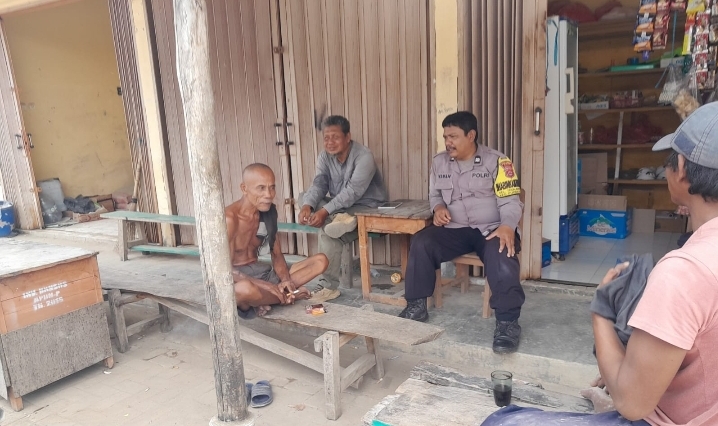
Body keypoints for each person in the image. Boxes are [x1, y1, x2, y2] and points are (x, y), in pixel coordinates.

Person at [482, 102, 718, 425]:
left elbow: (632, 404)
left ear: (682, 170)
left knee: (501, 421)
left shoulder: (684, 272)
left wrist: (601, 310)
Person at [399, 111, 525, 355]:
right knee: (422, 241)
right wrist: (438, 208)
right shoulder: (439, 162)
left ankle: (507, 323)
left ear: (471, 135)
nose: (448, 142)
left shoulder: (498, 162)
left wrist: (508, 226)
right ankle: (416, 305)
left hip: (491, 228)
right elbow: (435, 195)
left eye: (453, 137)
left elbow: (511, 201)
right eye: (446, 137)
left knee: (502, 251)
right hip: (455, 228)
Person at [298, 115, 388, 302]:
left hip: (366, 207)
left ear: (348, 137)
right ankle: (340, 219)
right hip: (339, 208)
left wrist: (324, 212)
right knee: (304, 197)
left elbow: (353, 192)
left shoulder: (364, 156)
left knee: (327, 232)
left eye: (335, 137)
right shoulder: (324, 157)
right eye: (326, 138)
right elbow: (319, 184)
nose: (330, 142)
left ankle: (328, 287)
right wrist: (307, 206)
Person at [226, 163, 328, 317]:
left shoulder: (268, 212)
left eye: (272, 187)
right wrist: (266, 286)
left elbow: (277, 254)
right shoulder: (230, 219)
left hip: (263, 273)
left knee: (321, 261)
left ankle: (271, 297)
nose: (268, 194)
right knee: (243, 290)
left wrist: (286, 280)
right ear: (244, 188)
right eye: (261, 188)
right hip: (237, 278)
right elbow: (224, 271)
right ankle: (285, 297)